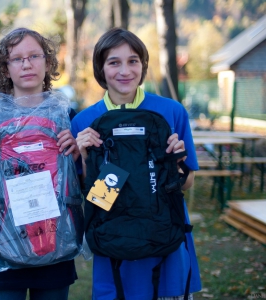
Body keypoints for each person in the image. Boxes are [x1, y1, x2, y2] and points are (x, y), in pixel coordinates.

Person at [71, 28, 201, 299]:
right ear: (101, 68)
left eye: (133, 61)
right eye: (113, 62)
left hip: (165, 242)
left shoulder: (171, 112)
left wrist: (176, 166)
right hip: (114, 246)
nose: (125, 71)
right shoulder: (84, 122)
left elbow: (187, 183)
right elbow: (95, 199)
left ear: (143, 65)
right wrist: (86, 158)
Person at [0, 28, 80, 300]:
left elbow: (83, 184)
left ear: (47, 63)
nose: (26, 64)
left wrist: (80, 155)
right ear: (5, 67)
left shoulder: (67, 116)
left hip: (54, 245)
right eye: (16, 58)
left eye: (34, 56)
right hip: (3, 248)